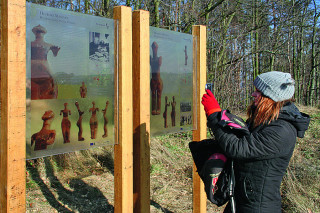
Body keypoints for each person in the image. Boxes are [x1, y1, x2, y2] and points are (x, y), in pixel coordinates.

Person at [201, 71, 310, 213]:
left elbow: (238, 148)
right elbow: (242, 139)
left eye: (258, 91)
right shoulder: (265, 120)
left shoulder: (281, 130)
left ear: (271, 97)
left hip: (258, 207)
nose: (253, 94)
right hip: (243, 199)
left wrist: (215, 115)